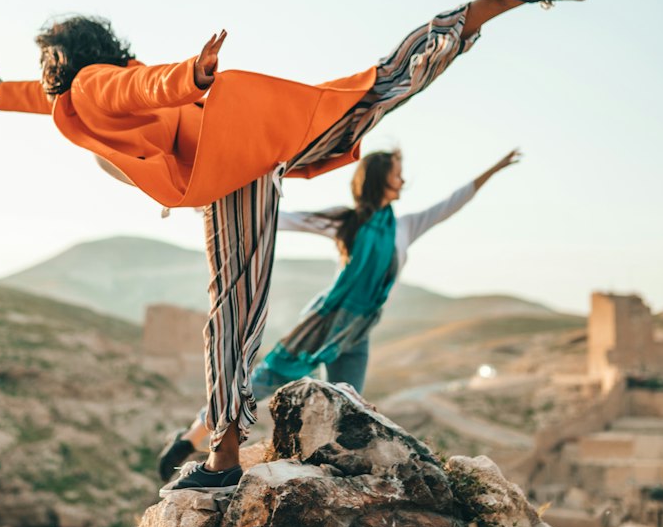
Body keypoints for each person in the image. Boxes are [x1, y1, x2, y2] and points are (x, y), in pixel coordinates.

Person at [0, 0, 589, 494]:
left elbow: (138, 85)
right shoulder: (76, 90)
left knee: (234, 307)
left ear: (68, 57)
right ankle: (489, 5)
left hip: (227, 164)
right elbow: (55, 95)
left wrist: (191, 75)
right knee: (374, 89)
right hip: (257, 146)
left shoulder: (93, 84)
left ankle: (224, 455)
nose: (43, 67)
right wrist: (1, 92)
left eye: (46, 57)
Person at [158, 146, 521, 480]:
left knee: (347, 406)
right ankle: (191, 438)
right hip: (323, 323)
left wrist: (494, 169)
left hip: (358, 332)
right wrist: (209, 203)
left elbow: (451, 203)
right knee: (261, 383)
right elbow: (277, 217)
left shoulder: (404, 227)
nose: (403, 180)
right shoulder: (345, 221)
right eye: (398, 173)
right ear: (380, 177)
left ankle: (320, 472)